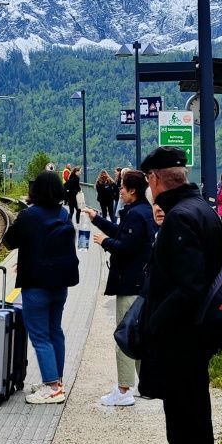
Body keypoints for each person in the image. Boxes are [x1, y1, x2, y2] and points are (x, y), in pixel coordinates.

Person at [136, 146, 222, 444]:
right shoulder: (200, 209)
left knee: (191, 440)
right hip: (193, 344)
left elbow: (187, 288)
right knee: (189, 435)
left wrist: (153, 324)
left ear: (154, 180)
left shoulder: (180, 218)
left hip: (181, 347)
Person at [2, 171, 80, 405]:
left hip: (36, 286)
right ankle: (56, 381)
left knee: (40, 336)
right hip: (60, 285)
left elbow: (9, 242)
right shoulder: (64, 214)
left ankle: (53, 388)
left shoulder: (29, 215)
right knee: (55, 331)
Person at [83, 169, 156, 407]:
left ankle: (124, 390)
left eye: (122, 187)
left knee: (125, 337)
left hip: (130, 282)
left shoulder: (135, 215)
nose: (120, 191)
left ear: (132, 191)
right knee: (138, 336)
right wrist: (97, 219)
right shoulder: (142, 212)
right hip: (142, 282)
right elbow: (123, 234)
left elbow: (125, 247)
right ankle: (147, 384)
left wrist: (105, 242)